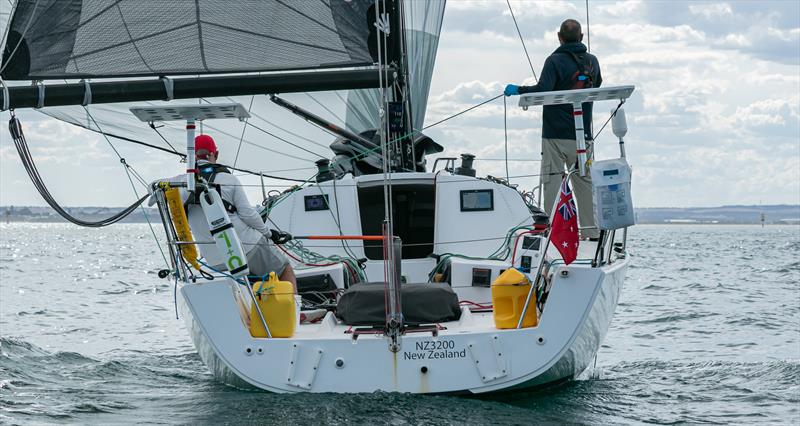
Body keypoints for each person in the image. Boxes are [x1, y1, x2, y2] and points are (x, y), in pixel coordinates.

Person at [504, 19, 602, 239]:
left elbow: (543, 89)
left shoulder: (554, 60)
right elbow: (597, 85)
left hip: (555, 136)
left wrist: (517, 89)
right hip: (582, 136)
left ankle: (549, 231)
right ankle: (592, 232)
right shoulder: (593, 61)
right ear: (582, 37)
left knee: (552, 183)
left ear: (559, 37)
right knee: (584, 183)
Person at [159, 134, 297, 288]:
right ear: (215, 155)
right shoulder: (228, 179)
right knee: (285, 270)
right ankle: (295, 310)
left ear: (191, 158)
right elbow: (248, 214)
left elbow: (154, 186)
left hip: (214, 260)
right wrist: (270, 234)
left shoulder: (177, 184)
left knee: (244, 286)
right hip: (246, 248)